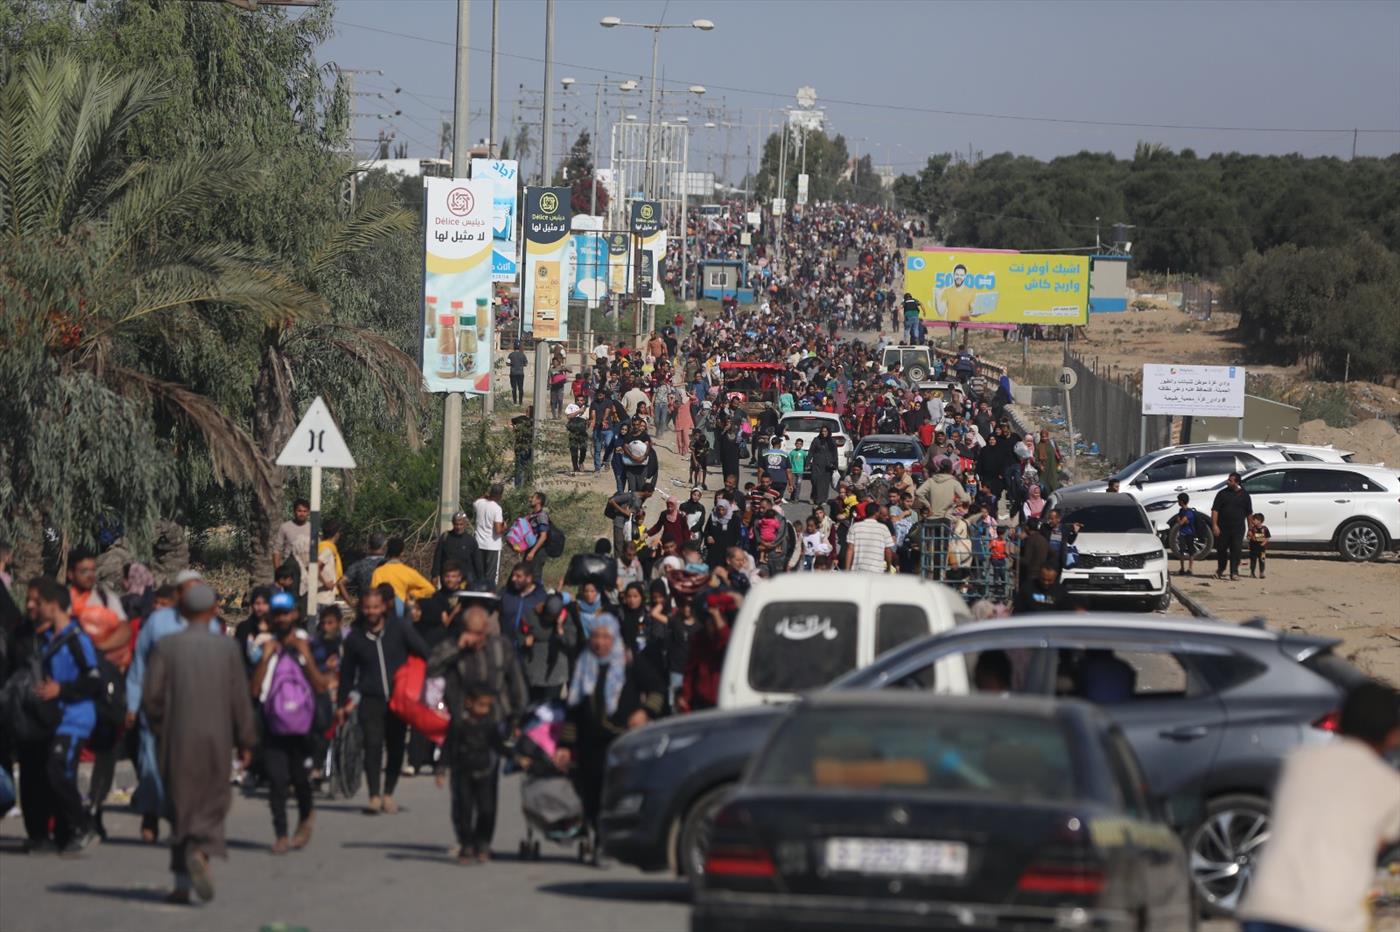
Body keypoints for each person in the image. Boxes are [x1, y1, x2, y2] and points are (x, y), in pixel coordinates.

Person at [1239, 681, 1400, 932]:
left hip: (1265, 907)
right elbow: (1372, 849)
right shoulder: (1390, 787)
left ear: (1341, 720)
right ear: (1393, 735)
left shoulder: (1299, 761)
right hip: (1329, 916)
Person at [142, 583, 258, 904]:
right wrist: (246, 740)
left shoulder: (166, 646)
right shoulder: (226, 648)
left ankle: (181, 883)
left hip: (176, 738)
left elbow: (151, 699)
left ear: (181, 611)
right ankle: (201, 851)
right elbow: (240, 701)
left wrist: (159, 729)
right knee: (211, 800)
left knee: (181, 804)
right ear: (212, 611)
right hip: (216, 739)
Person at [126, 570, 220, 845]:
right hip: (156, 707)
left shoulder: (209, 625)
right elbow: (139, 664)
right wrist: (132, 704)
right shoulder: (157, 622)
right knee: (151, 767)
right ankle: (150, 815)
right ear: (178, 593)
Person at [554, 615, 659, 848]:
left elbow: (657, 690)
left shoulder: (629, 662)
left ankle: (610, 838)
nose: (600, 642)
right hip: (590, 744)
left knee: (616, 792)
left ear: (614, 639)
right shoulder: (584, 663)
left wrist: (645, 712)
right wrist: (564, 746)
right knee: (590, 794)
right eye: (595, 637)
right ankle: (598, 835)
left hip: (624, 740)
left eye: (605, 637)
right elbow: (574, 709)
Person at [21, 578, 101, 854]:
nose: (33, 607)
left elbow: (94, 679)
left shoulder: (77, 639)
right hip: (57, 718)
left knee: (57, 768)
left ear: (53, 606)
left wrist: (61, 689)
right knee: (58, 771)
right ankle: (71, 830)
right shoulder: (46, 639)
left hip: (76, 718)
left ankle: (84, 825)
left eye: (38, 602)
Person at [249, 595, 331, 854]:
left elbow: (320, 686)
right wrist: (264, 659)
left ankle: (306, 816)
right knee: (276, 780)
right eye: (278, 614)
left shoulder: (309, 644)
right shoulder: (264, 647)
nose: (282, 618)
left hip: (302, 726)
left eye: (286, 613)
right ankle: (281, 834)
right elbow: (253, 691)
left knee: (299, 779)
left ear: (295, 614)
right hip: (273, 725)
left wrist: (305, 656)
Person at [337, 587, 429, 815]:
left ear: (384, 607)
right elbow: (347, 673)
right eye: (367, 607)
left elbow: (424, 651)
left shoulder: (399, 628)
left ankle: (389, 793)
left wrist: (424, 681)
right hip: (371, 699)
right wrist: (342, 704)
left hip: (399, 700)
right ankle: (374, 796)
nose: (371, 611)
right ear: (362, 608)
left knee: (396, 748)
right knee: (372, 746)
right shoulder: (355, 637)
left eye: (375, 607)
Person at [436, 689, 508, 864]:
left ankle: (482, 844)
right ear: (469, 703)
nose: (484, 709)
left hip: (484, 772)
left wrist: (519, 758)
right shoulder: (459, 724)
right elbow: (447, 747)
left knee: (486, 810)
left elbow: (499, 747)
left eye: (487, 706)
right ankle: (467, 845)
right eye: (481, 705)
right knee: (464, 810)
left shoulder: (490, 725)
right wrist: (441, 770)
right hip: (463, 773)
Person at [1210, 472, 1253, 580]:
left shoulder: (1245, 495)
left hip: (1238, 528)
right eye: (1228, 479)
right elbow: (1215, 510)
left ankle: (1234, 572)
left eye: (1230, 480)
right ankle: (1220, 570)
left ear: (1237, 482)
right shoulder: (1222, 494)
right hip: (1223, 528)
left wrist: (1250, 529)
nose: (1228, 482)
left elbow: (1249, 513)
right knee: (1221, 550)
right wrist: (1214, 525)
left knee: (1236, 550)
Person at [370, 537, 435, 605]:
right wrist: (412, 594)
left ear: (387, 551)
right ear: (402, 553)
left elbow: (373, 593)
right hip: (402, 609)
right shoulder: (408, 572)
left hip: (384, 609)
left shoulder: (378, 572)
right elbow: (430, 589)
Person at [272, 498, 312, 594]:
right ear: (294, 511)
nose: (302, 513)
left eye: (304, 511)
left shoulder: (312, 527)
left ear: (308, 512)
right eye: (299, 511)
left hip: (307, 570)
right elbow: (277, 550)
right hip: (290, 569)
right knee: (291, 598)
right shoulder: (285, 527)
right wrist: (279, 573)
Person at [845, 503, 895, 573]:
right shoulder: (883, 528)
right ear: (877, 513)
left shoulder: (855, 527)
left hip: (858, 570)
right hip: (876, 571)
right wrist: (889, 567)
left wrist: (847, 570)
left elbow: (850, 549)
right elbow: (888, 551)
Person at [472, 483, 506, 587]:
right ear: (500, 495)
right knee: (491, 575)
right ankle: (489, 595)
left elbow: (476, 501)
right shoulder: (497, 508)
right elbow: (498, 529)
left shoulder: (479, 503)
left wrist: (485, 495)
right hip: (492, 545)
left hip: (478, 543)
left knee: (478, 572)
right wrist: (505, 527)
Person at [431, 514, 477, 587]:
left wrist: (479, 579)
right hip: (448, 579)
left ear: (465, 524)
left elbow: (477, 561)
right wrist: (435, 575)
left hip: (465, 580)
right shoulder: (445, 537)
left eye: (461, 524)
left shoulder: (470, 540)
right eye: (456, 524)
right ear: (453, 523)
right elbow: (438, 557)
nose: (458, 527)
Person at [344, 533, 388, 602]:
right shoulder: (388, 564)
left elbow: (341, 582)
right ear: (384, 547)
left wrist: (350, 603)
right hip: (383, 605)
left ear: (369, 546)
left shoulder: (359, 564)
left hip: (365, 605)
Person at [807, 424, 840, 505]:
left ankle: (822, 500)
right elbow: (811, 451)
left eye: (825, 431)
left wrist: (835, 464)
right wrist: (807, 462)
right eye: (822, 431)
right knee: (815, 480)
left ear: (828, 432)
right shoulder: (816, 440)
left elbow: (835, 453)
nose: (824, 433)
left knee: (824, 483)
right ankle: (814, 496)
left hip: (827, 465)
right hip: (817, 464)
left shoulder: (832, 441)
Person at [1171, 494, 1200, 576]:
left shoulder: (1188, 512)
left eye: (1178, 500)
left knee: (1189, 552)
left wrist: (1179, 520)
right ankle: (1183, 569)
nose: (1178, 502)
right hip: (1184, 533)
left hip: (1189, 534)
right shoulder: (1182, 511)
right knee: (1183, 551)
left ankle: (1189, 569)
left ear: (1181, 501)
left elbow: (1180, 522)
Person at [511, 405, 534, 488]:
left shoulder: (520, 419)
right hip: (529, 447)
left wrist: (514, 430)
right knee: (528, 467)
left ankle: (518, 487)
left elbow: (510, 422)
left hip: (520, 446)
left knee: (519, 468)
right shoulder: (534, 421)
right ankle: (527, 485)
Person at [565, 404, 590, 474]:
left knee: (583, 449)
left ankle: (581, 462)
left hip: (582, 432)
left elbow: (589, 419)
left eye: (582, 400)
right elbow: (569, 416)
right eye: (578, 400)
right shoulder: (571, 407)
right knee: (573, 450)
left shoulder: (587, 409)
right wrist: (579, 411)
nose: (580, 402)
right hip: (573, 432)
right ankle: (575, 467)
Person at [1247, 512, 1271, 579]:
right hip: (1253, 548)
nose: (1252, 521)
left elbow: (1268, 537)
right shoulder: (1252, 529)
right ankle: (1252, 573)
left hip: (1262, 548)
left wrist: (1264, 542)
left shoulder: (1265, 529)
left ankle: (1262, 573)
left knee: (1262, 560)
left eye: (1254, 520)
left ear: (1259, 521)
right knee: (1253, 561)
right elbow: (1248, 537)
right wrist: (1251, 536)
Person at [507, 341, 528, 406]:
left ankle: (515, 402)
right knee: (520, 388)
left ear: (514, 347)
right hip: (520, 373)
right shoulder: (522, 355)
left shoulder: (511, 355)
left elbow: (507, 363)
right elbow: (526, 363)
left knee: (514, 388)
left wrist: (512, 364)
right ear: (519, 347)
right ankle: (520, 402)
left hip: (513, 373)